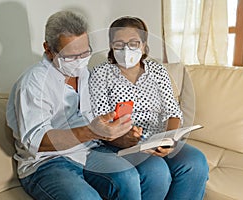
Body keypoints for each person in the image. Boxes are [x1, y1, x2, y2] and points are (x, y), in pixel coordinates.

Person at [6, 10, 165, 200]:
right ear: (48, 49)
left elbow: (96, 123)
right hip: (47, 162)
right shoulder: (33, 84)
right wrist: (92, 131)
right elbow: (36, 141)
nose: (80, 61)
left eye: (85, 53)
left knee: (133, 176)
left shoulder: (85, 74)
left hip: (89, 151)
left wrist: (120, 136)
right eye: (71, 56)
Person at [89, 16, 209, 200]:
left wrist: (169, 140)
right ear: (111, 46)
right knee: (155, 171)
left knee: (196, 162)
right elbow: (100, 122)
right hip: (121, 143)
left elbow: (173, 111)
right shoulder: (100, 74)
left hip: (157, 138)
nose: (126, 50)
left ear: (144, 45)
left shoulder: (157, 71)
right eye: (119, 44)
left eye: (133, 43)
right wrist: (124, 139)